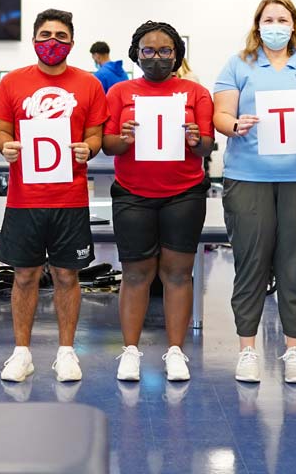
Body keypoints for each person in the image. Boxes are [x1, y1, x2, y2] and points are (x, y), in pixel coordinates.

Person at [213, 0, 296, 384]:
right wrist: (235, 125)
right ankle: (247, 349)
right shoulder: (238, 64)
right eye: (269, 18)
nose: (276, 25)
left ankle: (294, 351)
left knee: (295, 267)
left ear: (294, 25)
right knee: (250, 264)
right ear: (257, 24)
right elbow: (220, 114)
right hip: (248, 176)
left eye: (283, 19)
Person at [0, 9, 108, 383]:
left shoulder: (89, 85)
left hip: (70, 198)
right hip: (24, 198)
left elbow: (95, 136)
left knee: (66, 275)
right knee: (23, 275)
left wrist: (87, 150)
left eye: (60, 36)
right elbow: (1, 133)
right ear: (33, 40)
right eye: (45, 35)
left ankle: (67, 352)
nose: (52, 42)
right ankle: (21, 353)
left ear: (72, 43)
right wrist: (6, 146)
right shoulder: (12, 82)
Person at [103, 20, 214, 382]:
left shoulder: (195, 93)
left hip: (184, 193)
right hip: (133, 193)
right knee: (135, 273)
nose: (156, 58)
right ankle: (131, 351)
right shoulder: (120, 92)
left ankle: (176, 352)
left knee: (178, 273)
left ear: (177, 55)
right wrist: (123, 138)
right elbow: (108, 146)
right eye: (148, 51)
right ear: (136, 54)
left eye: (165, 51)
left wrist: (197, 138)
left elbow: (207, 146)